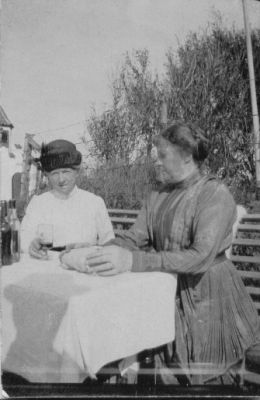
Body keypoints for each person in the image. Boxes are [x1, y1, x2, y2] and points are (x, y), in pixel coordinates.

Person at [67, 121, 260, 385]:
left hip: (210, 296)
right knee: (164, 370)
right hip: (164, 291)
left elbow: (201, 256)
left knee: (209, 377)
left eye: (163, 156)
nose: (156, 163)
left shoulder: (214, 194)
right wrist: (96, 249)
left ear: (188, 157)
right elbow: (134, 237)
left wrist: (133, 261)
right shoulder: (157, 194)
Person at [21, 139, 114, 259]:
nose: (61, 179)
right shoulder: (38, 203)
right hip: (46, 264)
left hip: (84, 265)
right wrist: (30, 245)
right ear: (47, 175)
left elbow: (109, 243)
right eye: (54, 173)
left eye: (66, 172)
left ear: (77, 172)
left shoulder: (94, 203)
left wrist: (91, 250)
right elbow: (23, 237)